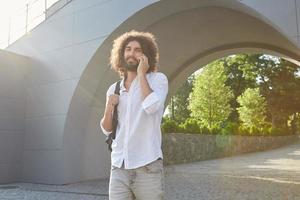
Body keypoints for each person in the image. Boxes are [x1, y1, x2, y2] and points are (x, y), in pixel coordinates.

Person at [100, 30, 169, 200]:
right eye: (128, 49)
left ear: (146, 55)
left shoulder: (158, 80)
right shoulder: (113, 88)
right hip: (118, 167)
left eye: (138, 50)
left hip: (147, 166)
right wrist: (109, 105)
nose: (132, 53)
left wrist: (141, 74)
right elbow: (107, 129)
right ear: (122, 54)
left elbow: (151, 107)